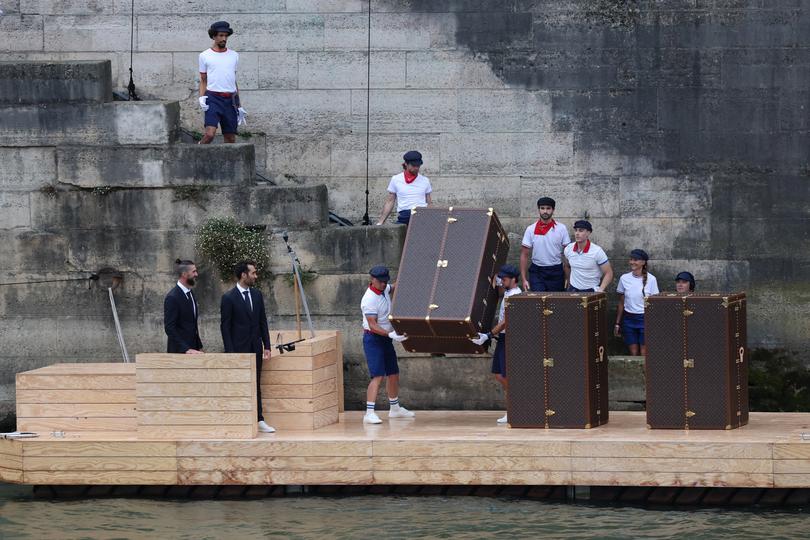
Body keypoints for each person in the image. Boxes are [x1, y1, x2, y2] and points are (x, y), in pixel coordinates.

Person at [220, 261, 275, 433]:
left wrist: (267, 344)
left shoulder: (257, 295)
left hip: (255, 347)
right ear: (244, 275)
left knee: (256, 383)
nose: (255, 276)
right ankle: (238, 419)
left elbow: (262, 321)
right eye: (253, 273)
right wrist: (230, 352)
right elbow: (225, 327)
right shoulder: (228, 298)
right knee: (238, 384)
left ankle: (259, 419)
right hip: (238, 349)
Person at [360, 265, 415, 424]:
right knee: (377, 376)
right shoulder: (369, 299)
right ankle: (369, 413)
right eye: (381, 282)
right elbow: (372, 325)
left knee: (393, 373)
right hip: (373, 339)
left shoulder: (383, 288)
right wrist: (391, 334)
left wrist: (409, 275)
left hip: (386, 339)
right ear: (372, 280)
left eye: (385, 281)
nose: (384, 284)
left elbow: (394, 287)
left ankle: (395, 409)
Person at [471, 264, 522, 424]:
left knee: (507, 376)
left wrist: (488, 335)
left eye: (504, 279)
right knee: (499, 374)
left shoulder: (515, 296)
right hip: (502, 338)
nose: (502, 281)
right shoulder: (508, 292)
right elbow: (500, 291)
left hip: (509, 338)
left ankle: (514, 409)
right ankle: (514, 408)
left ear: (513, 280)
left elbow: (506, 321)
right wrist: (495, 280)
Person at [198, 21, 246, 144]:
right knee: (209, 134)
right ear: (214, 36)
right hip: (213, 98)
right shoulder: (204, 55)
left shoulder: (234, 55)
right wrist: (202, 98)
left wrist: (239, 105)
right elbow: (203, 80)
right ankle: (197, 151)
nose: (223, 38)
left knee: (230, 138)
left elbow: (232, 79)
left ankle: (229, 163)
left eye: (226, 36)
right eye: (220, 35)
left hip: (230, 100)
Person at [614, 249, 659, 356]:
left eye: (636, 260)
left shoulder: (652, 279)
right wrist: (617, 323)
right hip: (628, 319)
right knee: (633, 352)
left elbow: (655, 303)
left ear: (643, 262)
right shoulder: (624, 278)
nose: (632, 262)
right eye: (631, 259)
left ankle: (645, 373)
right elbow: (621, 302)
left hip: (645, 319)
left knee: (644, 352)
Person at [520, 196, 569, 292]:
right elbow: (524, 255)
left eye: (548, 208)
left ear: (553, 210)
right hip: (537, 272)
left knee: (555, 303)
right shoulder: (530, 229)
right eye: (542, 208)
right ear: (539, 210)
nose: (545, 211)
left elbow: (567, 255)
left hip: (556, 272)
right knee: (538, 302)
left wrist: (568, 277)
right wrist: (524, 279)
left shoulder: (561, 228)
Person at [376, 151, 433, 226]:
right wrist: (381, 222)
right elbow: (390, 201)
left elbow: (429, 203)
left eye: (418, 165)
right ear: (406, 164)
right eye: (413, 165)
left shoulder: (425, 180)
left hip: (421, 214)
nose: (416, 168)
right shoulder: (396, 179)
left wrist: (432, 220)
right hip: (405, 215)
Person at [164, 259, 203, 354]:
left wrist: (199, 346)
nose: (196, 274)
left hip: (193, 350)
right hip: (179, 352)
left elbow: (192, 325)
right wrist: (186, 349)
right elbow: (169, 328)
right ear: (184, 274)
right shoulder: (172, 297)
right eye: (193, 271)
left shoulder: (190, 293)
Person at [563, 220, 613, 292]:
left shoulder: (597, 251)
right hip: (573, 289)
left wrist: (601, 289)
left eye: (581, 230)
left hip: (591, 290)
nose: (577, 233)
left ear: (588, 233)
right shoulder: (568, 249)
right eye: (576, 230)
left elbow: (609, 273)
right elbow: (567, 266)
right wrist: (568, 282)